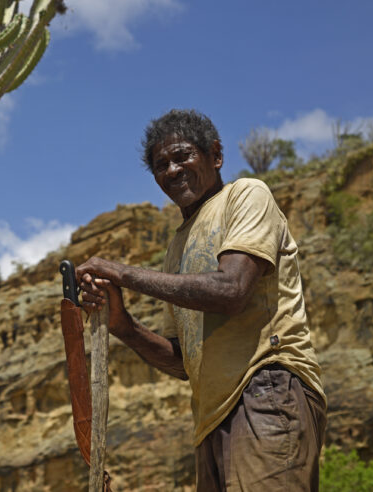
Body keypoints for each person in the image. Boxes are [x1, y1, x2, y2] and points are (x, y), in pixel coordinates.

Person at [76, 109, 326, 491]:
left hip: (265, 391)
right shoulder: (176, 248)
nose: (173, 171)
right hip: (210, 420)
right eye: (162, 165)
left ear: (216, 155)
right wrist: (121, 324)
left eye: (183, 156)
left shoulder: (246, 195)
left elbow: (232, 290)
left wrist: (123, 273)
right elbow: (182, 361)